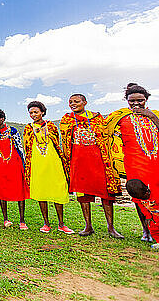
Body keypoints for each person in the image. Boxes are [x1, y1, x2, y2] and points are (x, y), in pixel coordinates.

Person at [60, 94, 123, 238]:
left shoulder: (96, 117)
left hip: (98, 159)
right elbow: (65, 140)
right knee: (83, 194)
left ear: (85, 102)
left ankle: (111, 227)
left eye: (76, 101)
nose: (73, 104)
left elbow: (105, 135)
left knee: (106, 194)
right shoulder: (67, 119)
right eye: (70, 102)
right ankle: (88, 226)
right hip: (78, 160)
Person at [106, 84, 159, 242]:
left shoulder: (155, 115)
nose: (136, 104)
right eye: (132, 101)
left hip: (156, 162)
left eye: (140, 100)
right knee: (139, 196)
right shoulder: (120, 118)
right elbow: (106, 135)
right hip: (134, 163)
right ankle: (146, 230)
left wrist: (151, 116)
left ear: (146, 100)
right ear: (127, 101)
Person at [23, 101, 74, 234]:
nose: (33, 115)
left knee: (58, 191)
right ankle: (46, 223)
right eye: (31, 113)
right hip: (37, 163)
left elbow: (57, 143)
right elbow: (27, 147)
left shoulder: (51, 126)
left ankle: (61, 224)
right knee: (41, 192)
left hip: (53, 162)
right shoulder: (28, 128)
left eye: (36, 112)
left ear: (42, 112)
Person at [0, 109, 29, 229]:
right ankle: (6, 219)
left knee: (20, 191)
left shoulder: (12, 131)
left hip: (15, 164)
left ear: (3, 119)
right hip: (0, 166)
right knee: (2, 191)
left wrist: (24, 164)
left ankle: (22, 221)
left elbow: (20, 147)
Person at [125, 179, 159, 250]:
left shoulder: (156, 193)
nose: (143, 199)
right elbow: (142, 207)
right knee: (153, 229)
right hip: (154, 215)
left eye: (144, 197)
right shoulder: (139, 197)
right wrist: (148, 216)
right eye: (140, 198)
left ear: (147, 191)